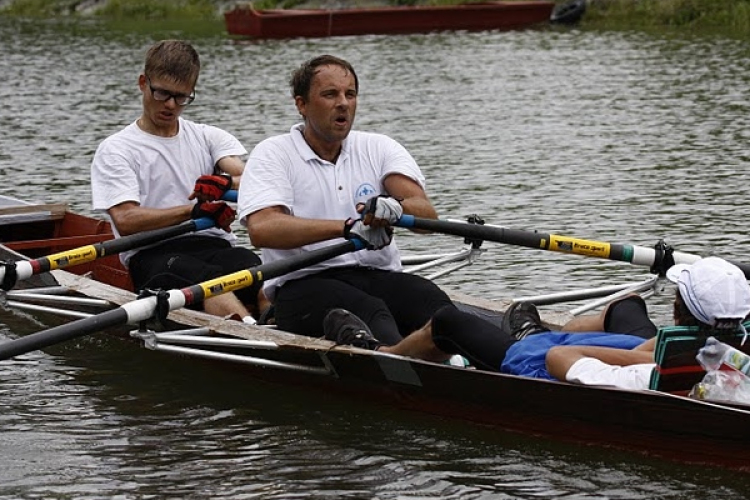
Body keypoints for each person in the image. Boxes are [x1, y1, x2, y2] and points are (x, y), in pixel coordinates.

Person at [237, 54, 493, 344]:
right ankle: (411, 363)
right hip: (303, 285)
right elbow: (263, 229)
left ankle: (516, 360)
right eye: (330, 94)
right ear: (301, 104)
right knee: (371, 312)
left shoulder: (378, 147)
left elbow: (427, 218)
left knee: (434, 304)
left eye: (350, 94)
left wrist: (395, 208)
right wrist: (346, 228)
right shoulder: (273, 153)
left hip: (377, 275)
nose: (343, 103)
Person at [336, 257, 750, 391]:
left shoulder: (646, 372)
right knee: (627, 305)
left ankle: (381, 353)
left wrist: (641, 352)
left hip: (540, 364)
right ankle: (528, 329)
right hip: (659, 355)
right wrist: (652, 346)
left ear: (678, 314)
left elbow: (558, 357)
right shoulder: (733, 358)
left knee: (445, 321)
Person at [91, 39, 264, 323]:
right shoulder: (117, 149)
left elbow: (250, 180)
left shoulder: (209, 137)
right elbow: (126, 219)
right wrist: (193, 211)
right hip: (153, 253)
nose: (171, 105)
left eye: (182, 97)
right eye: (162, 93)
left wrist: (224, 183)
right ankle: (258, 337)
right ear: (143, 83)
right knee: (209, 283)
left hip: (213, 245)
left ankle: (275, 320)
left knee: (259, 270)